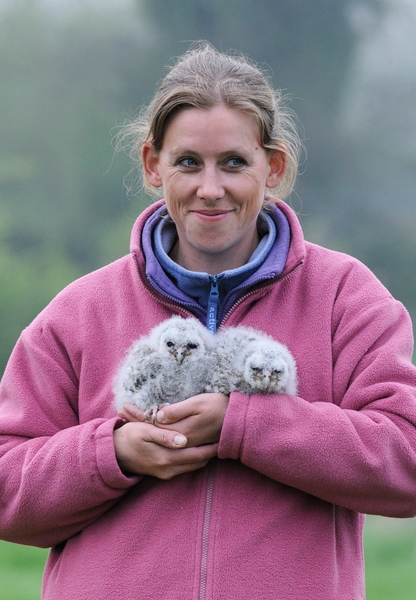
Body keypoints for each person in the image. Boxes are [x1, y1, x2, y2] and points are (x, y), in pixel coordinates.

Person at [1, 43, 416, 600]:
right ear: (153, 165)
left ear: (273, 167)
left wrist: (245, 425)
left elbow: (406, 458)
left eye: (235, 163)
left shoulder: (346, 296)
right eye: (189, 162)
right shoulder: (79, 310)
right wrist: (112, 453)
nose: (211, 188)